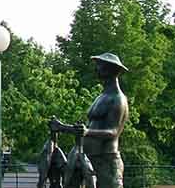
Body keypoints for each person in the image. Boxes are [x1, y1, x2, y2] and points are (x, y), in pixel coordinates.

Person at [51, 53, 130, 188]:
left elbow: (113, 132)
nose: (96, 69)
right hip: (86, 157)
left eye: (100, 66)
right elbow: (85, 129)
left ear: (110, 70)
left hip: (105, 160)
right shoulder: (101, 96)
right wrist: (62, 127)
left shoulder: (118, 99)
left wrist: (86, 132)